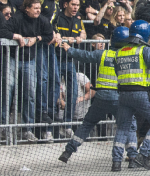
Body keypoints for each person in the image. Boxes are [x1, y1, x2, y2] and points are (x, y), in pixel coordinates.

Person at [58, 27, 138, 165]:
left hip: (101, 97)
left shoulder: (104, 54)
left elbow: (85, 55)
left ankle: (68, 151)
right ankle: (132, 157)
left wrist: (69, 49)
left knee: (88, 123)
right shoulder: (130, 57)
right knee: (129, 125)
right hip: (119, 98)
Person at [109, 20, 150, 171]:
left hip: (123, 95)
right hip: (141, 94)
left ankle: (116, 162)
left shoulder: (120, 51)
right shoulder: (143, 50)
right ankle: (143, 155)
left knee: (123, 128)